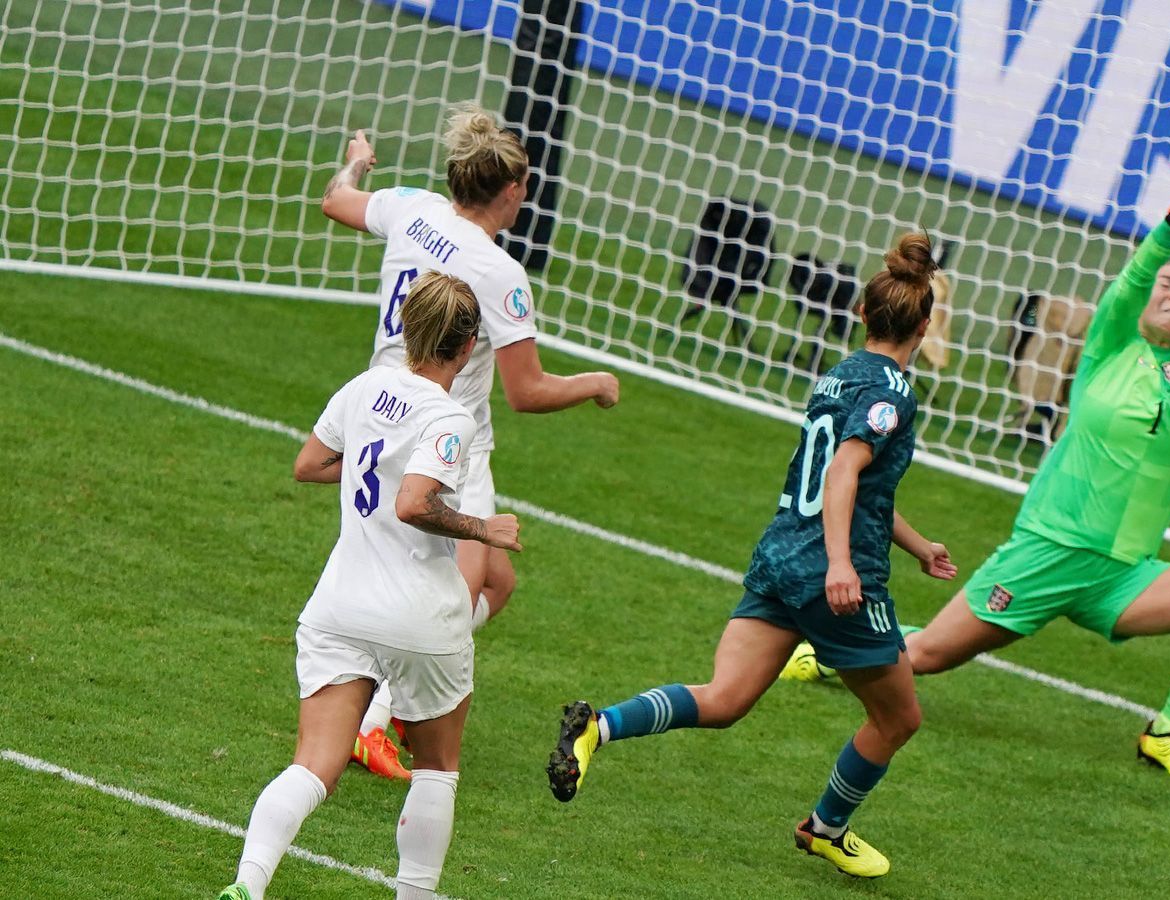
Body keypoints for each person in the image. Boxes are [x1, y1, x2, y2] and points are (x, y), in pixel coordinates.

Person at [784, 154, 1170, 785]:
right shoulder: (1111, 348)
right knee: (924, 655)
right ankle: (821, 653)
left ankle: (1165, 732)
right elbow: (1129, 283)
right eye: (1165, 286)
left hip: (1124, 575)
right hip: (1049, 550)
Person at [544, 234, 957, 879]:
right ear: (924, 325)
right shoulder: (895, 390)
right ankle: (826, 828)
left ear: (860, 316)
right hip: (833, 575)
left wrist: (918, 543)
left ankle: (600, 725)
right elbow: (844, 473)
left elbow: (852, 483)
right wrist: (845, 566)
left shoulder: (837, 376)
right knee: (898, 716)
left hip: (781, 556)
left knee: (726, 698)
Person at [321, 105, 620, 778]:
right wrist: (597, 382)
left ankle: (388, 700)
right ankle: (370, 719)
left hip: (379, 410)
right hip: (447, 437)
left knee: (497, 585)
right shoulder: (497, 272)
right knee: (454, 589)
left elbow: (336, 200)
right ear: (509, 192)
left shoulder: (412, 209)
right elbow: (527, 391)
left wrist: (359, 161)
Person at [217, 272, 523, 900]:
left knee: (313, 764)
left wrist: (372, 470)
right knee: (437, 770)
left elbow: (309, 465)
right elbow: (414, 503)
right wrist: (480, 528)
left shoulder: (362, 388)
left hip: (339, 606)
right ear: (467, 349)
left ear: (407, 327)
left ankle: (247, 885)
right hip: (421, 618)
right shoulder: (451, 417)